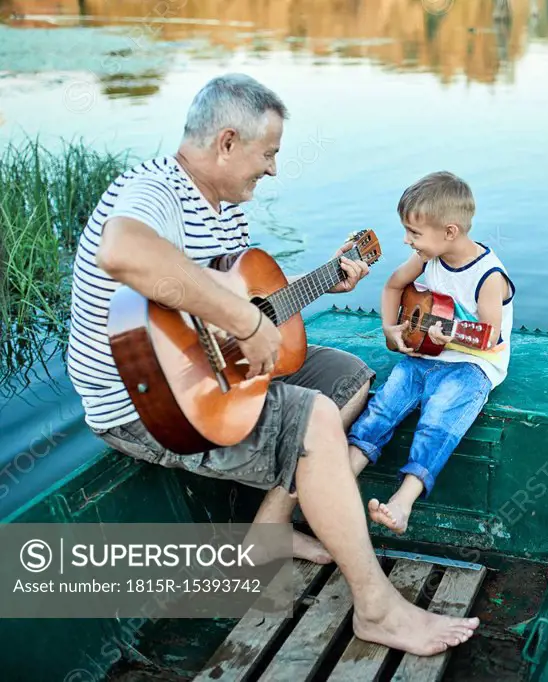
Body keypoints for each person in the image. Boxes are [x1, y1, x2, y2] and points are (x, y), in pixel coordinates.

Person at [66, 74, 478, 655]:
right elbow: (124, 250)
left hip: (209, 377)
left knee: (348, 378)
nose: (274, 169)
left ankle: (267, 534)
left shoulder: (224, 208)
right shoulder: (154, 190)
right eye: (269, 153)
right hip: (150, 406)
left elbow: (246, 299)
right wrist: (245, 321)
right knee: (310, 417)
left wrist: (311, 289)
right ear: (227, 142)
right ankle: (378, 610)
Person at [347, 171, 515, 534]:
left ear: (450, 232)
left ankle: (402, 502)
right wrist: (391, 331)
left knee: (438, 420)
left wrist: (451, 337)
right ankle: (341, 482)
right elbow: (393, 286)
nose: (407, 241)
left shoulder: (489, 276)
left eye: (414, 233)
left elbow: (490, 337)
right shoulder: (427, 258)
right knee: (382, 406)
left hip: (472, 364)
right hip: (423, 355)